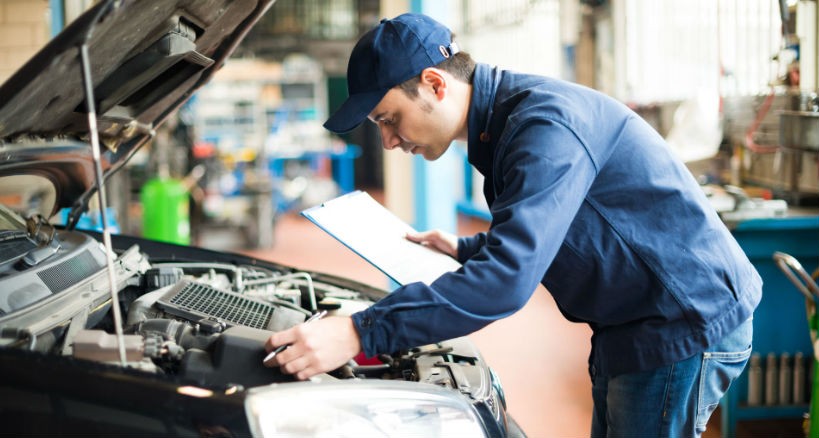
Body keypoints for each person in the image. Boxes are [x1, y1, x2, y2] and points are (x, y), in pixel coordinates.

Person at [263, 12, 761, 437]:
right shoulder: (501, 126)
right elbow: (561, 224)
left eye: (388, 119)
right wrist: (468, 247)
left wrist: (359, 332)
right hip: (631, 320)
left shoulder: (544, 127)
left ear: (436, 84)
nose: (390, 141)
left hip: (681, 320)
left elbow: (508, 281)